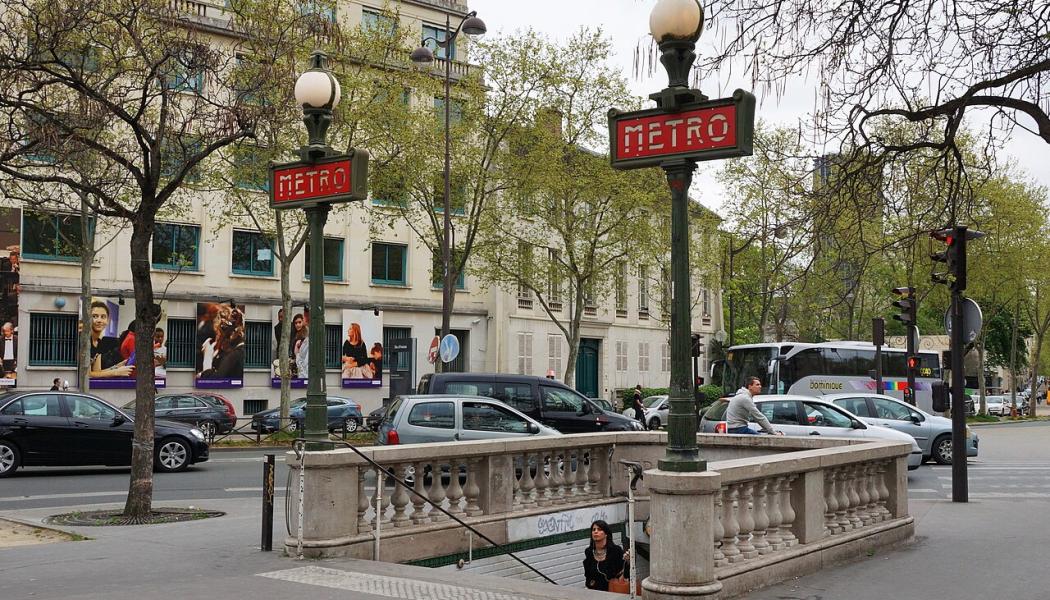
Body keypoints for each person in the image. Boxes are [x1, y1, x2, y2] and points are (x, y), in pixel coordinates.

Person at [199, 304, 245, 379]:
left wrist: (207, 358)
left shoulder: (235, 355)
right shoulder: (238, 351)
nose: (217, 338)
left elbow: (215, 382)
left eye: (217, 333)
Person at [88, 301, 132, 378]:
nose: (99, 320)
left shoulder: (99, 342)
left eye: (103, 317)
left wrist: (117, 366)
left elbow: (97, 372)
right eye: (94, 316)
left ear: (108, 320)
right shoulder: (85, 341)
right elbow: (87, 374)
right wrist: (115, 372)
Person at [583, 519, 628, 591]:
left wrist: (628, 562)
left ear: (606, 534)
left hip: (613, 591)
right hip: (595, 592)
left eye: (599, 529)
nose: (596, 531)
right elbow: (588, 576)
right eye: (593, 530)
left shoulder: (616, 551)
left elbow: (624, 574)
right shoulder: (589, 552)